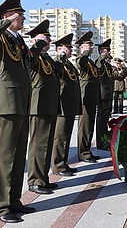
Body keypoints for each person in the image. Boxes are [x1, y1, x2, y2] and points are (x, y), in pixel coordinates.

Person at [0, 0, 45, 223]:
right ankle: (0, 206)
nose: (24, 19)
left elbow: (26, 65)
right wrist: (5, 20)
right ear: (9, 16)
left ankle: (14, 201)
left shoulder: (18, 40)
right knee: (3, 157)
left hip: (21, 104)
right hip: (6, 104)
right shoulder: (0, 39)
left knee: (17, 157)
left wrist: (36, 48)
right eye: (21, 15)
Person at [25, 20, 59, 195]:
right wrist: (38, 43)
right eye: (46, 37)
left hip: (49, 105)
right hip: (38, 107)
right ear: (35, 39)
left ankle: (43, 178)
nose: (49, 41)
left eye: (49, 38)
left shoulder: (47, 58)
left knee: (46, 145)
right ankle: (35, 180)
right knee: (38, 144)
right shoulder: (33, 54)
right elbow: (30, 60)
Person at [52, 33, 82, 176]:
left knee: (66, 136)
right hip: (62, 105)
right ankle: (58, 166)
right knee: (60, 137)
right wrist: (60, 57)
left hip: (70, 105)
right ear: (60, 49)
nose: (71, 50)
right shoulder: (58, 62)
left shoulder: (68, 64)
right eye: (68, 48)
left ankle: (63, 162)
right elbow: (56, 73)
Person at [75, 31, 100, 163]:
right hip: (85, 97)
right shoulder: (80, 58)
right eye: (89, 45)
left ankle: (87, 151)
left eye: (92, 46)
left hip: (91, 97)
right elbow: (80, 64)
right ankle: (83, 153)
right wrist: (84, 52)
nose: (91, 48)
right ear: (82, 46)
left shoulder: (90, 61)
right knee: (84, 127)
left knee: (89, 126)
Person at [95, 39, 114, 150]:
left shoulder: (107, 64)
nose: (109, 53)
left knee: (105, 119)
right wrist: (102, 56)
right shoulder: (99, 62)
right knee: (101, 120)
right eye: (107, 51)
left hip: (107, 94)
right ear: (102, 51)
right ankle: (100, 142)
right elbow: (97, 66)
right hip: (102, 95)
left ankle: (104, 140)